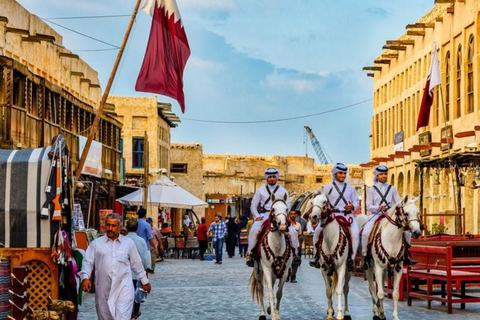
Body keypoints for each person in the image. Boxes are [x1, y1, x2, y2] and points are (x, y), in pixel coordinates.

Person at [78, 213, 151, 320]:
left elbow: (137, 264)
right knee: (105, 316)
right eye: (108, 225)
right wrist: (85, 277)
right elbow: (88, 262)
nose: (110, 228)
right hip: (103, 288)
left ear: (120, 227)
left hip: (124, 288)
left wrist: (145, 282)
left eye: (113, 226)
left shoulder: (128, 243)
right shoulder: (96, 244)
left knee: (123, 316)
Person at [362, 165, 417, 270]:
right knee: (366, 232)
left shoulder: (392, 189)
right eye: (381, 174)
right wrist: (378, 207)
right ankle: (366, 256)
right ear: (377, 176)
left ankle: (406, 254)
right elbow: (368, 205)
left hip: (390, 215)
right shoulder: (372, 190)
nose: (384, 176)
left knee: (406, 231)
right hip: (376, 215)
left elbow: (398, 203)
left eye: (385, 174)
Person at [246, 168, 301, 268]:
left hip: (280, 216)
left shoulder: (283, 191)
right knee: (254, 231)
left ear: (277, 178)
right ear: (267, 178)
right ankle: (250, 254)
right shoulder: (260, 191)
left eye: (274, 177)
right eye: (270, 177)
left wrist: (283, 215)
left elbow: (288, 205)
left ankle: (295, 255)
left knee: (293, 232)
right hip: (265, 215)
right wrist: (257, 216)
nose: (272, 179)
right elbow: (253, 205)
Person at [310, 163, 359, 272]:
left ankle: (351, 259)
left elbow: (356, 202)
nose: (342, 175)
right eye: (340, 173)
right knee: (317, 232)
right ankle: (316, 256)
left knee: (355, 234)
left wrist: (352, 206)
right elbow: (321, 202)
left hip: (346, 216)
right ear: (335, 174)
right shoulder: (326, 188)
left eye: (344, 173)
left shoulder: (351, 189)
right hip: (332, 216)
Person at [125, 219, 151, 320]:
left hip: (125, 274)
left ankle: (129, 314)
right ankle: (134, 314)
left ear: (126, 227)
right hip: (137, 274)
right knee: (137, 295)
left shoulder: (124, 240)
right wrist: (145, 274)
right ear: (137, 228)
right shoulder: (141, 241)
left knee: (126, 296)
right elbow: (145, 259)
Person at [136, 208, 158, 273]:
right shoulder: (147, 225)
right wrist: (155, 247)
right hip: (144, 247)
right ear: (145, 215)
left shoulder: (135, 223)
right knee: (145, 267)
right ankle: (144, 281)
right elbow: (150, 238)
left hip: (134, 246)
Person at [287, 211, 302, 283]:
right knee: (287, 261)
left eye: (294, 214)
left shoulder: (298, 225)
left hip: (296, 245)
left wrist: (300, 245)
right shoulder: (286, 225)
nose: (293, 215)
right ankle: (287, 275)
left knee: (295, 262)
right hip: (288, 246)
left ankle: (293, 277)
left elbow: (299, 236)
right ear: (289, 215)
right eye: (291, 214)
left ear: (296, 215)